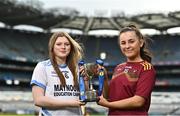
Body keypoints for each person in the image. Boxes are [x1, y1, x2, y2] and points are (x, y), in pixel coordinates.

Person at [97, 24, 156, 115]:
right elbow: (109, 97)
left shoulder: (146, 68)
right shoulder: (119, 67)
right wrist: (104, 79)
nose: (127, 46)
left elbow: (138, 101)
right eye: (123, 43)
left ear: (140, 43)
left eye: (131, 41)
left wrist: (108, 104)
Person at [30, 32, 88, 116]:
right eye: (59, 44)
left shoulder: (78, 68)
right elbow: (38, 100)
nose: (63, 47)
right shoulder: (42, 67)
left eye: (67, 44)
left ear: (71, 47)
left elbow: (84, 98)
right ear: (52, 47)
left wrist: (86, 80)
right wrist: (69, 103)